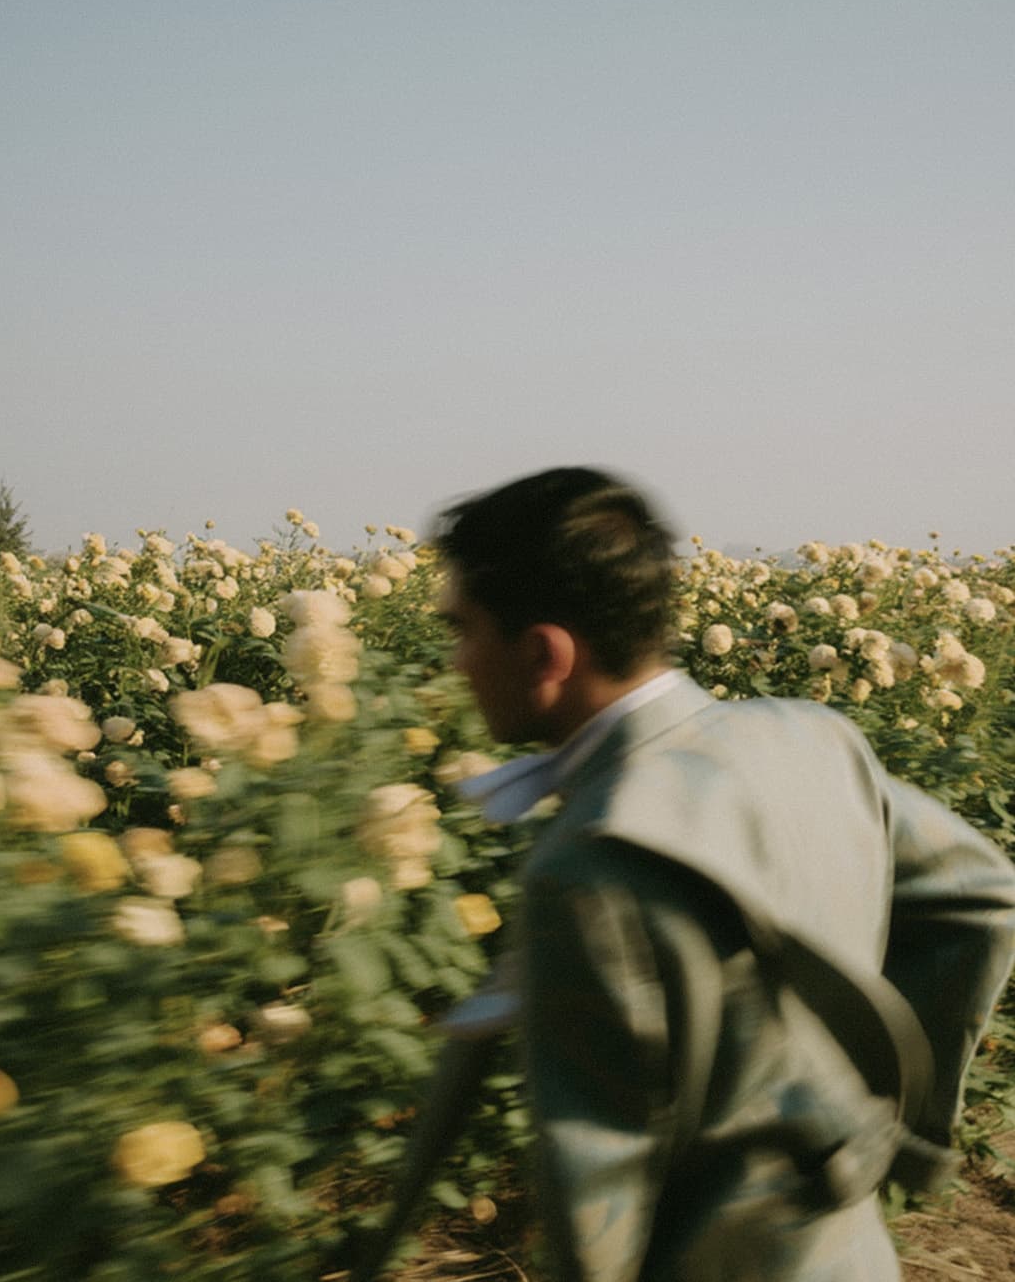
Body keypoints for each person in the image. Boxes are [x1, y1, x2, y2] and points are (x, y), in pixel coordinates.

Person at [355, 467, 1015, 1282]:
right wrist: (880, 1120)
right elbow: (984, 900)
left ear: (543, 653)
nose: (456, 661)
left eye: (464, 630)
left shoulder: (592, 861)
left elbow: (597, 1190)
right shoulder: (813, 737)